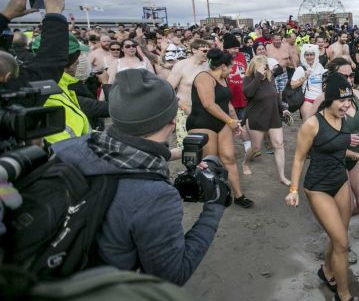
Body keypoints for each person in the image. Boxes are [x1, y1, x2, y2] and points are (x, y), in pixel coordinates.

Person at [51, 69, 229, 285]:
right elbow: (173, 275)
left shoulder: (67, 148)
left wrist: (170, 153)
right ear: (172, 122)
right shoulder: (154, 196)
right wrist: (215, 206)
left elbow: (127, 151)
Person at [285, 73, 359, 301]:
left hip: (341, 181)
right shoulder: (312, 124)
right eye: (341, 100)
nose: (346, 105)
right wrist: (293, 190)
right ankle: (344, 295)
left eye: (348, 100)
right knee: (342, 243)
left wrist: (354, 154)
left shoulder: (344, 118)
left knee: (339, 237)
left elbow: (336, 145)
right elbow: (299, 158)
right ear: (329, 99)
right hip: (318, 187)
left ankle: (327, 270)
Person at [310, 58, 359, 263]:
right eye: (345, 76)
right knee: (346, 207)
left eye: (351, 75)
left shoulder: (357, 95)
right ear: (333, 77)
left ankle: (333, 225)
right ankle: (337, 243)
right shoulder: (323, 100)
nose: (350, 79)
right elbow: (315, 135)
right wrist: (342, 139)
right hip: (334, 159)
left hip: (356, 157)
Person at [187, 49, 252, 208]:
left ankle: (239, 195)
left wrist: (234, 120)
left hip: (221, 121)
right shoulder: (204, 77)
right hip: (202, 123)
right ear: (223, 66)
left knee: (229, 158)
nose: (231, 71)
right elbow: (208, 104)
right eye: (230, 67)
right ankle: (214, 195)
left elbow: (226, 102)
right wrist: (229, 121)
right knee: (212, 161)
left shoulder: (223, 79)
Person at [242, 55, 290, 185]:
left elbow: (275, 96)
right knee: (256, 147)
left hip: (273, 116)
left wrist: (283, 109)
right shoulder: (248, 79)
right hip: (256, 116)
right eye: (259, 67)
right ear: (253, 68)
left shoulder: (270, 78)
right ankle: (245, 163)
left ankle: (282, 176)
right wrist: (258, 76)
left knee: (279, 144)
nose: (263, 70)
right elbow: (248, 94)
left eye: (264, 67)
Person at [166, 39, 210, 148]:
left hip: (204, 112)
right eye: (204, 51)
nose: (207, 53)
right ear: (194, 50)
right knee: (185, 147)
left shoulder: (208, 66)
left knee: (204, 145)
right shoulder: (181, 66)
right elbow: (168, 89)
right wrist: (183, 107)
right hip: (184, 112)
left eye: (208, 51)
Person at [290, 44, 326, 121]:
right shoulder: (300, 69)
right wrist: (305, 77)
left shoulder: (319, 66)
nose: (309, 57)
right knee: (308, 124)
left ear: (315, 55)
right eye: (307, 55)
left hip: (320, 100)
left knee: (321, 124)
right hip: (307, 100)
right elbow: (292, 85)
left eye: (311, 55)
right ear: (304, 56)